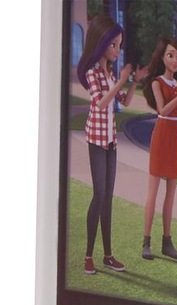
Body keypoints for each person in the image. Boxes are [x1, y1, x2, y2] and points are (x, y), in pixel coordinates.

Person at [75, 21, 144, 274]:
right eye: (113, 44)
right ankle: (88, 256)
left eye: (119, 45)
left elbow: (123, 102)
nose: (117, 50)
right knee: (99, 195)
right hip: (96, 139)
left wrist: (133, 81)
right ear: (101, 43)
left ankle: (107, 255)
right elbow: (101, 103)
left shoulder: (111, 74)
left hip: (111, 141)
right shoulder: (93, 73)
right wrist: (122, 80)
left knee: (108, 198)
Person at [137, 36, 177, 261]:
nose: (175, 60)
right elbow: (163, 110)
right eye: (171, 55)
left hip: (174, 139)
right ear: (162, 57)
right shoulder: (157, 82)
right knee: (153, 192)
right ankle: (146, 241)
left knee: (171, 194)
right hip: (161, 136)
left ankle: (167, 241)